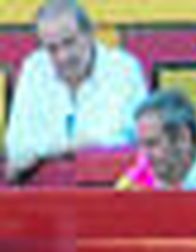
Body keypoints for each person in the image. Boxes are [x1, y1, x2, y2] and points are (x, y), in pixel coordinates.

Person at [3, 0, 148, 183]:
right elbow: (17, 150)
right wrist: (79, 145)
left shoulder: (124, 69)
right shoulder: (34, 69)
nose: (63, 56)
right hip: (47, 189)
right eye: (52, 48)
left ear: (89, 34)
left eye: (69, 43)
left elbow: (124, 142)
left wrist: (44, 151)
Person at [117, 89, 196, 190]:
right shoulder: (145, 184)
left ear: (183, 137)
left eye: (152, 144)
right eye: (140, 145)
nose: (144, 156)